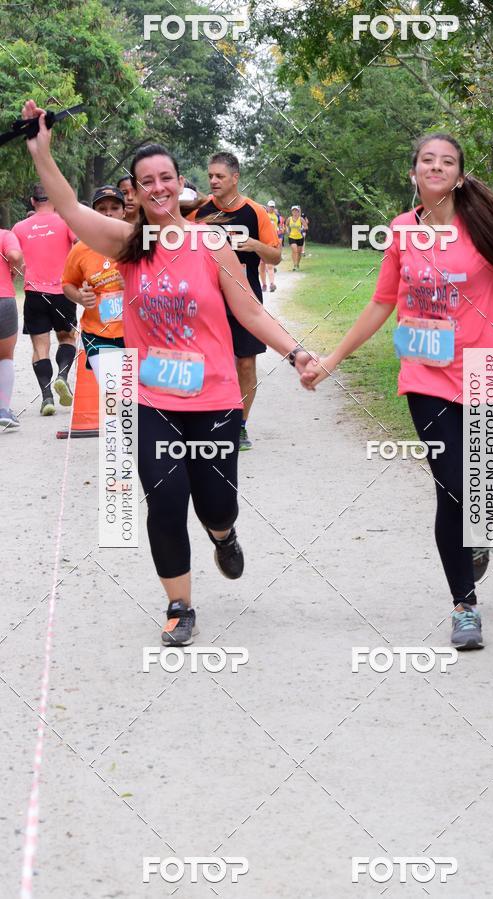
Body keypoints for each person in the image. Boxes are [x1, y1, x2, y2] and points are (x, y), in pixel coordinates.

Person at [21, 99, 317, 647]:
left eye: (165, 178)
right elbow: (66, 206)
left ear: (180, 184)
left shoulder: (210, 243)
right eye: (146, 182)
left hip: (215, 398)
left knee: (216, 504)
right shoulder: (127, 245)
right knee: (164, 500)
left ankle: (223, 535)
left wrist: (296, 353)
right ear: (134, 193)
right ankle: (179, 605)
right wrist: (41, 151)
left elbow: (250, 311)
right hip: (153, 398)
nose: (157, 188)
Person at [302, 132, 493, 651]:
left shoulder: (488, 225)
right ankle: (464, 606)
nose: (436, 167)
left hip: (485, 373)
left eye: (447, 161)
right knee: (452, 484)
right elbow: (382, 302)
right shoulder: (402, 231)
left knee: (478, 488)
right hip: (426, 373)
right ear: (414, 173)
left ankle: (478, 535)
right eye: (427, 160)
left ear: (460, 176)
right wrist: (332, 359)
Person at [188, 153, 282, 451]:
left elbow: (276, 256)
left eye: (220, 176)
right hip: (207, 299)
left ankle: (239, 425)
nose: (213, 181)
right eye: (210, 176)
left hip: (246, 297)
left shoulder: (255, 212)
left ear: (235, 178)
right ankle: (207, 420)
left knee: (245, 363)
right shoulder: (199, 211)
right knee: (206, 363)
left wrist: (254, 245)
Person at [12, 184, 77, 415]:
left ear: (32, 201)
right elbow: (80, 244)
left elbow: (14, 258)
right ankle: (62, 376)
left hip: (34, 294)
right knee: (67, 337)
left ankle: (47, 397)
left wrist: (20, 272)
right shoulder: (67, 222)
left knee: (40, 347)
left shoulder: (19, 228)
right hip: (63, 292)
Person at [62, 186, 126, 380]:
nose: (108, 213)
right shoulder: (81, 249)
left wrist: (134, 283)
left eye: (114, 208)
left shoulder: (139, 244)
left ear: (124, 212)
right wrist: (79, 297)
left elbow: (162, 283)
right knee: (115, 391)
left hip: (137, 332)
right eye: (102, 208)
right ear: (93, 214)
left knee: (135, 394)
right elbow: (67, 284)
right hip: (98, 334)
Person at [0, 228, 24, 428]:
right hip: (3, 298)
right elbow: (15, 256)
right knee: (5, 356)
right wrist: (14, 270)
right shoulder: (4, 235)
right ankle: (3, 410)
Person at [260, 201, 280, 293]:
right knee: (262, 266)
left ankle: (272, 284)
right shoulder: (258, 221)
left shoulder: (274, 219)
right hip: (261, 245)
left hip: (270, 244)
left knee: (270, 265)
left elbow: (275, 232)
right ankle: (264, 284)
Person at [286, 205, 305, 271]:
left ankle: (297, 264)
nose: (295, 212)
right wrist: (287, 230)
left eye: (296, 211)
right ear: (292, 212)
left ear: (298, 212)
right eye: (293, 211)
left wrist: (302, 229)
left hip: (300, 237)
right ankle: (294, 265)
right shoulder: (289, 219)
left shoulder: (301, 219)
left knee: (299, 253)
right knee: (294, 250)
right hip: (292, 237)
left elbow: (306, 227)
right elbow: (286, 225)